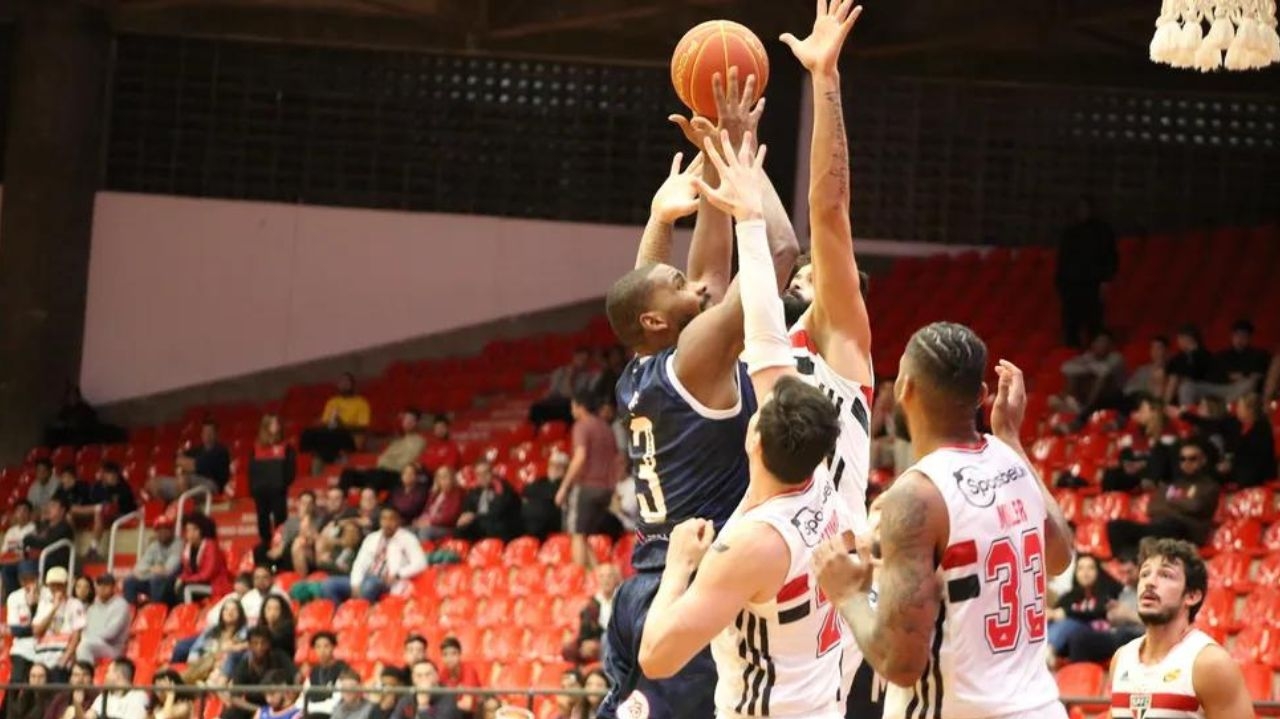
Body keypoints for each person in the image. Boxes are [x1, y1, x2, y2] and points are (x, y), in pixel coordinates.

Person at [598, 62, 799, 719]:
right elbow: (778, 257)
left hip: (642, 591)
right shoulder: (690, 362)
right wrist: (741, 152)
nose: (698, 286)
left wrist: (675, 206)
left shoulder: (641, 366)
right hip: (687, 593)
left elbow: (671, 282)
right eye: (681, 289)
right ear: (662, 321)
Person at [634, 124, 851, 719]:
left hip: (682, 586)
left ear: (755, 435)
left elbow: (656, 655)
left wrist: (722, 167)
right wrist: (738, 189)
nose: (701, 288)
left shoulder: (654, 373)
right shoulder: (829, 483)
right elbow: (758, 323)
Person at [814, 330, 1073, 719]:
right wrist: (1009, 436)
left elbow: (900, 665)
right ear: (983, 394)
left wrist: (848, 594)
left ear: (905, 387)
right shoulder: (1012, 465)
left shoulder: (917, 496)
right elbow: (1060, 557)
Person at [1108, 538, 1251, 719]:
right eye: (1144, 574)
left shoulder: (1210, 663)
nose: (1150, 582)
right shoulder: (1122, 658)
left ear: (1191, 596)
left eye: (1166, 575)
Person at [1106, 439, 1222, 560]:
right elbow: (1152, 508)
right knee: (1115, 527)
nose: (1187, 462)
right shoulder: (1173, 484)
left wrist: (1170, 501)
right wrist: (1180, 503)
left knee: (1170, 525)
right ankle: (1130, 561)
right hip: (1159, 528)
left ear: (1203, 460)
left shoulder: (1210, 486)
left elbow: (1196, 506)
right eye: (1182, 459)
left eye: (1192, 458)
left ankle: (1139, 559)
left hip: (1186, 534)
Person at [555, 390, 621, 567]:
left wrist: (564, 487)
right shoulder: (606, 428)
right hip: (606, 489)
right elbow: (617, 459)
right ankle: (595, 578)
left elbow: (580, 456)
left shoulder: (582, 426)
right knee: (583, 537)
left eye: (572, 407)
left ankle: (580, 580)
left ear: (579, 407)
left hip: (586, 487)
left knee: (576, 535)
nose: (571, 411)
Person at [323, 506, 426, 603]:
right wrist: (355, 584)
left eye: (391, 519)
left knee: (371, 584)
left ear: (398, 521)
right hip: (366, 579)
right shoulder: (372, 538)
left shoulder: (407, 538)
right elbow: (360, 563)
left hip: (387, 582)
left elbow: (421, 563)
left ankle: (362, 614)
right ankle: (341, 614)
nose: (387, 523)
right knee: (329, 584)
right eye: (384, 519)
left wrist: (398, 574)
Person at [1054, 196, 1116, 348]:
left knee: (1093, 322)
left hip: (1092, 284)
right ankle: (1072, 349)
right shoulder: (1070, 233)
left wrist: (1105, 280)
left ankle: (1095, 350)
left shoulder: (1102, 232)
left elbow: (1110, 258)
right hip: (1072, 286)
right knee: (1071, 324)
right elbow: (1063, 261)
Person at [1046, 554, 1122, 664]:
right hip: (1066, 641)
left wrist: (1067, 613)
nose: (1085, 572)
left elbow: (1098, 613)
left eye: (1090, 568)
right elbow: (1056, 612)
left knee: (1069, 623)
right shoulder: (1069, 596)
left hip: (1094, 636)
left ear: (1098, 571)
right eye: (1081, 568)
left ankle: (1050, 650)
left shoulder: (1107, 593)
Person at [1181, 319, 1273, 405]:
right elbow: (1212, 375)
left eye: (1243, 336)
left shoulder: (1258, 355)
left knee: (1250, 383)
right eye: (1237, 335)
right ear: (1232, 336)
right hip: (1219, 387)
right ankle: (1187, 415)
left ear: (1249, 338)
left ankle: (1223, 407)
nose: (1240, 339)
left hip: (1238, 389)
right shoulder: (1221, 355)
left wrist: (1241, 376)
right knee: (1187, 387)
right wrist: (1232, 376)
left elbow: (1257, 377)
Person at [339, 410, 427, 493]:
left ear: (416, 423)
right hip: (382, 471)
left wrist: (388, 461)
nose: (406, 422)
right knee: (348, 473)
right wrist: (387, 461)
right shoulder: (397, 441)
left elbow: (404, 463)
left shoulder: (418, 441)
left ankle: (368, 500)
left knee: (377, 476)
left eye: (410, 419)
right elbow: (381, 460)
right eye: (405, 419)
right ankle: (339, 499)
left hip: (396, 475)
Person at [224, 627, 298, 719]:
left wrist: (294, 694)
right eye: (255, 643)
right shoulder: (244, 664)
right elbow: (235, 698)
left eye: (263, 643)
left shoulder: (279, 656)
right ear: (249, 645)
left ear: (269, 644)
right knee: (231, 714)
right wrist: (259, 710)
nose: (259, 647)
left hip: (280, 702)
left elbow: (297, 675)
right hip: (254, 706)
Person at [148, 420, 232, 501]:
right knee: (152, 484)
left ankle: (187, 508)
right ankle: (166, 510)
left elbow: (194, 466)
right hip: (188, 483)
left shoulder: (220, 451)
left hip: (212, 485)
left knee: (183, 479)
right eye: (205, 432)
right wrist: (184, 465)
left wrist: (185, 465)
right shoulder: (198, 450)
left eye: (210, 432)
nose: (207, 435)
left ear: (216, 434)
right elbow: (177, 460)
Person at [300, 373, 371, 467]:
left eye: (347, 382)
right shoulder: (332, 402)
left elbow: (362, 427)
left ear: (353, 385)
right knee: (309, 433)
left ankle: (339, 462)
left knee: (337, 435)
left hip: (351, 435)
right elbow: (326, 422)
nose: (344, 385)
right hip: (332, 433)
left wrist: (342, 425)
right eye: (341, 383)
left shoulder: (361, 403)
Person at [33, 566, 88, 682]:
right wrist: (54, 608)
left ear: (66, 584)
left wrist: (65, 658)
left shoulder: (75, 604)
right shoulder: (43, 604)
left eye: (60, 585)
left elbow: (77, 636)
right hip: (41, 657)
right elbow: (36, 631)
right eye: (53, 585)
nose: (56, 588)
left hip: (61, 657)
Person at [249, 415, 297, 547]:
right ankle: (266, 544)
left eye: (277, 423)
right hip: (261, 491)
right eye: (274, 424)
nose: (277, 426)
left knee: (280, 519)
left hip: (278, 490)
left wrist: (282, 484)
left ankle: (281, 544)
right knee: (262, 519)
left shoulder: (286, 447)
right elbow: (252, 470)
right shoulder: (256, 448)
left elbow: (291, 470)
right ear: (266, 427)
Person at [1057, 330, 1127, 418]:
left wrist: (1087, 368)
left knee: (1101, 377)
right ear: (1093, 344)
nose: (1101, 345)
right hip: (1088, 395)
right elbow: (1066, 367)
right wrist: (1089, 368)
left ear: (1110, 345)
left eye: (1104, 342)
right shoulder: (1088, 356)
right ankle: (1071, 402)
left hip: (1113, 398)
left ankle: (1087, 409)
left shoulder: (1116, 358)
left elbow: (1104, 371)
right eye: (1098, 342)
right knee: (1072, 376)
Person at [566, 563, 622, 665]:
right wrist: (586, 643)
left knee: (605, 639)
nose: (606, 580)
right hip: (597, 642)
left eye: (609, 576)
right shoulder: (592, 605)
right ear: (598, 580)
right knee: (570, 649)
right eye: (602, 576)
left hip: (617, 642)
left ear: (616, 579)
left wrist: (600, 644)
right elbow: (585, 631)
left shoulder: (622, 600)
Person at [184, 597, 249, 684]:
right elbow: (195, 650)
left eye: (234, 610)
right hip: (204, 664)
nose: (230, 613)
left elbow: (250, 647)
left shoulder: (246, 632)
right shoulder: (211, 631)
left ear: (240, 614)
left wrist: (234, 647)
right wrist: (195, 661)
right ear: (221, 613)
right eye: (226, 610)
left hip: (225, 670)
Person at [453, 461, 520, 542]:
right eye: (479, 474)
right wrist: (464, 517)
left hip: (500, 524)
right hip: (480, 523)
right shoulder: (474, 491)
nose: (482, 477)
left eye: (485, 473)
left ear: (492, 473)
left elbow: (498, 511)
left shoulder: (502, 487)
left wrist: (475, 516)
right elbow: (467, 508)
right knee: (460, 527)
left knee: (490, 525)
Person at [1221, 392, 1277, 488]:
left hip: (1256, 473)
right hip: (1238, 468)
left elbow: (1256, 459)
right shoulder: (1236, 424)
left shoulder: (1262, 429)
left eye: (1240, 407)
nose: (1237, 410)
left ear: (1250, 410)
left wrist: (1231, 465)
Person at [123, 515, 182, 604]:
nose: (162, 532)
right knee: (129, 581)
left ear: (172, 530)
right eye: (159, 530)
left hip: (173, 586)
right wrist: (152, 569)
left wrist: (150, 570)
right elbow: (139, 568)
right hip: (153, 582)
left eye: (165, 529)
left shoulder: (178, 544)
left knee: (157, 578)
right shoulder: (154, 545)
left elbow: (169, 569)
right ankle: (131, 612)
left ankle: (156, 610)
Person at [3, 562, 42, 691]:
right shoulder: (14, 597)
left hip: (44, 647)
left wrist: (34, 607)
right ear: (19, 580)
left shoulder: (47, 595)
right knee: (17, 681)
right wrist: (35, 628)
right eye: (24, 579)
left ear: (38, 578)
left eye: (31, 578)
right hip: (21, 647)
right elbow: (14, 630)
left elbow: (45, 628)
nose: (28, 583)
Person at [175, 514, 232, 602]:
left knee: (186, 588)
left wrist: (185, 580)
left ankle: (188, 612)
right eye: (188, 530)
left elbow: (207, 574)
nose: (191, 533)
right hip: (198, 583)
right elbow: (186, 572)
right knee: (172, 584)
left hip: (215, 586)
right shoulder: (188, 548)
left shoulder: (211, 546)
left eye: (195, 529)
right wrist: (181, 578)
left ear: (202, 530)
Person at [76, 574, 130, 663]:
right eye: (100, 584)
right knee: (78, 646)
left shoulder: (121, 605)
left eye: (106, 585)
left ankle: (87, 674)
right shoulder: (92, 607)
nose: (102, 587)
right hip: (95, 644)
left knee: (85, 646)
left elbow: (111, 634)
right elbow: (85, 631)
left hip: (113, 649)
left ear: (113, 587)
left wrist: (90, 638)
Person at [297, 632, 352, 717]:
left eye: (326, 646)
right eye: (318, 647)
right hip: (312, 712)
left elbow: (338, 701)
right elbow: (303, 697)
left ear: (333, 647)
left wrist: (311, 708)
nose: (322, 650)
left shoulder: (342, 669)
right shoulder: (314, 671)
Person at [81, 658, 149, 719]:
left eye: (108, 672)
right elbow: (89, 716)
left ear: (118, 675)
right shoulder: (104, 696)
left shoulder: (138, 696)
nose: (105, 676)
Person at [1164, 326, 1213, 406]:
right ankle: (1162, 405)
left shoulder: (1205, 356)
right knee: (1168, 378)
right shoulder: (1177, 359)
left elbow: (1203, 375)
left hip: (1199, 388)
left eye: (1180, 338)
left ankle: (1165, 406)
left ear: (1188, 338)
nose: (1178, 342)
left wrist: (1182, 379)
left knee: (1184, 385)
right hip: (1177, 390)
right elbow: (1170, 376)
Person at [520, 453, 565, 540]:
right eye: (552, 465)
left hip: (550, 523)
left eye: (559, 466)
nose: (555, 469)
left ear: (565, 469)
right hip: (529, 521)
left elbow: (554, 496)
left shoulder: (565, 484)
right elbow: (526, 491)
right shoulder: (541, 481)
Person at [415, 466, 466, 541]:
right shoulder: (435, 493)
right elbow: (426, 510)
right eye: (439, 477)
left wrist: (430, 522)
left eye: (445, 476)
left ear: (452, 477)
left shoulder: (457, 493)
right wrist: (421, 520)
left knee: (425, 532)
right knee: (408, 530)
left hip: (447, 527)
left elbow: (450, 517)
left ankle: (426, 551)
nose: (442, 479)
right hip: (430, 523)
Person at [438, 638, 480, 717]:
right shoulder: (443, 672)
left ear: (460, 655)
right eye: (445, 654)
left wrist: (445, 706)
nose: (449, 658)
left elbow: (467, 705)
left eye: (453, 654)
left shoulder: (468, 670)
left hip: (471, 714)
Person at [1124, 336, 1170, 406]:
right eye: (1153, 348)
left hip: (1158, 404)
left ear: (1166, 350)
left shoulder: (1172, 370)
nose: (1155, 351)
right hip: (1138, 402)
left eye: (1159, 348)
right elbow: (1128, 389)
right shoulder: (1142, 370)